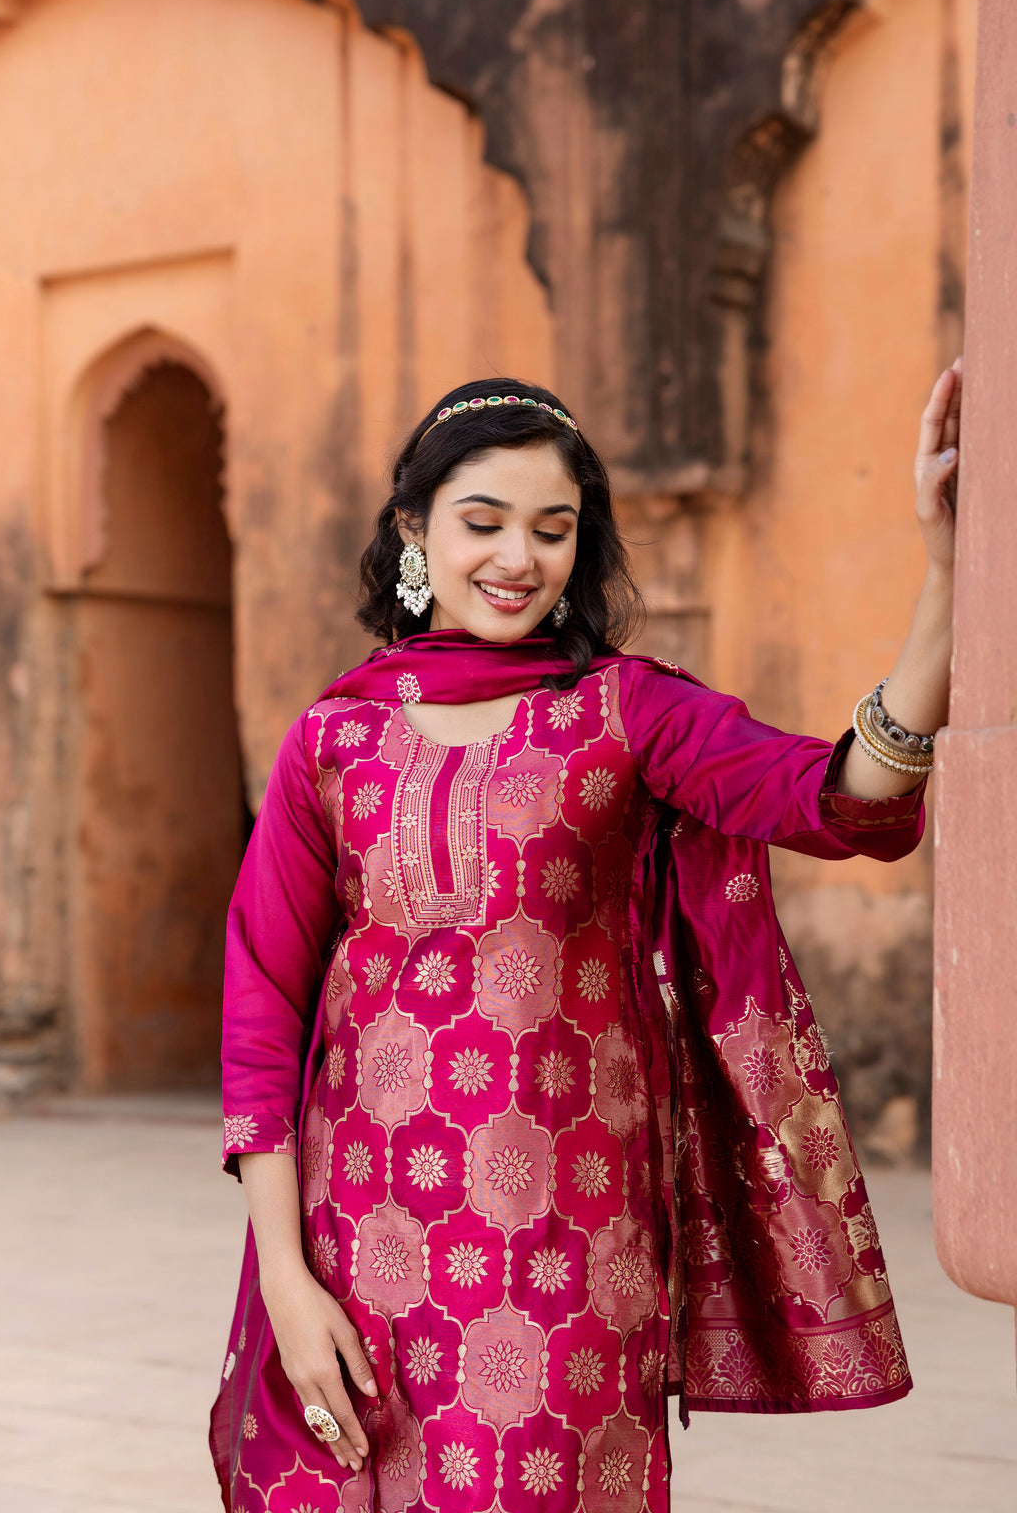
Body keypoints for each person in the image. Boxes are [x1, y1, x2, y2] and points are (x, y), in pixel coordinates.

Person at [210, 366, 961, 1513]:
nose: (517, 558)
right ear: (415, 528)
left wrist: (946, 580)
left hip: (573, 1243)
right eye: (483, 521)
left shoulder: (626, 712)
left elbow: (837, 800)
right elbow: (263, 998)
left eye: (552, 531)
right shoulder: (333, 738)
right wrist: (286, 1272)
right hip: (358, 1236)